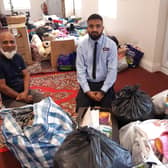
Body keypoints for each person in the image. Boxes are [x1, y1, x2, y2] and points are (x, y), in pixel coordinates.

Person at [76, 14, 118, 111]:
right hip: (88, 83)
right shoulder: (81, 46)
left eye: (98, 26)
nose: (94, 29)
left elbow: (112, 70)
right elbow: (80, 70)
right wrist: (87, 91)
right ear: (87, 28)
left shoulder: (111, 45)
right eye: (91, 26)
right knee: (81, 112)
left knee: (110, 114)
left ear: (102, 28)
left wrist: (103, 91)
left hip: (105, 84)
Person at [0, 30, 44, 108]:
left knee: (46, 103)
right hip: (10, 98)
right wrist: (22, 98)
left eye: (12, 42)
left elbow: (26, 74)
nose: (9, 45)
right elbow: (2, 86)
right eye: (5, 42)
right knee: (28, 113)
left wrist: (25, 93)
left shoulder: (18, 57)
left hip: (26, 92)